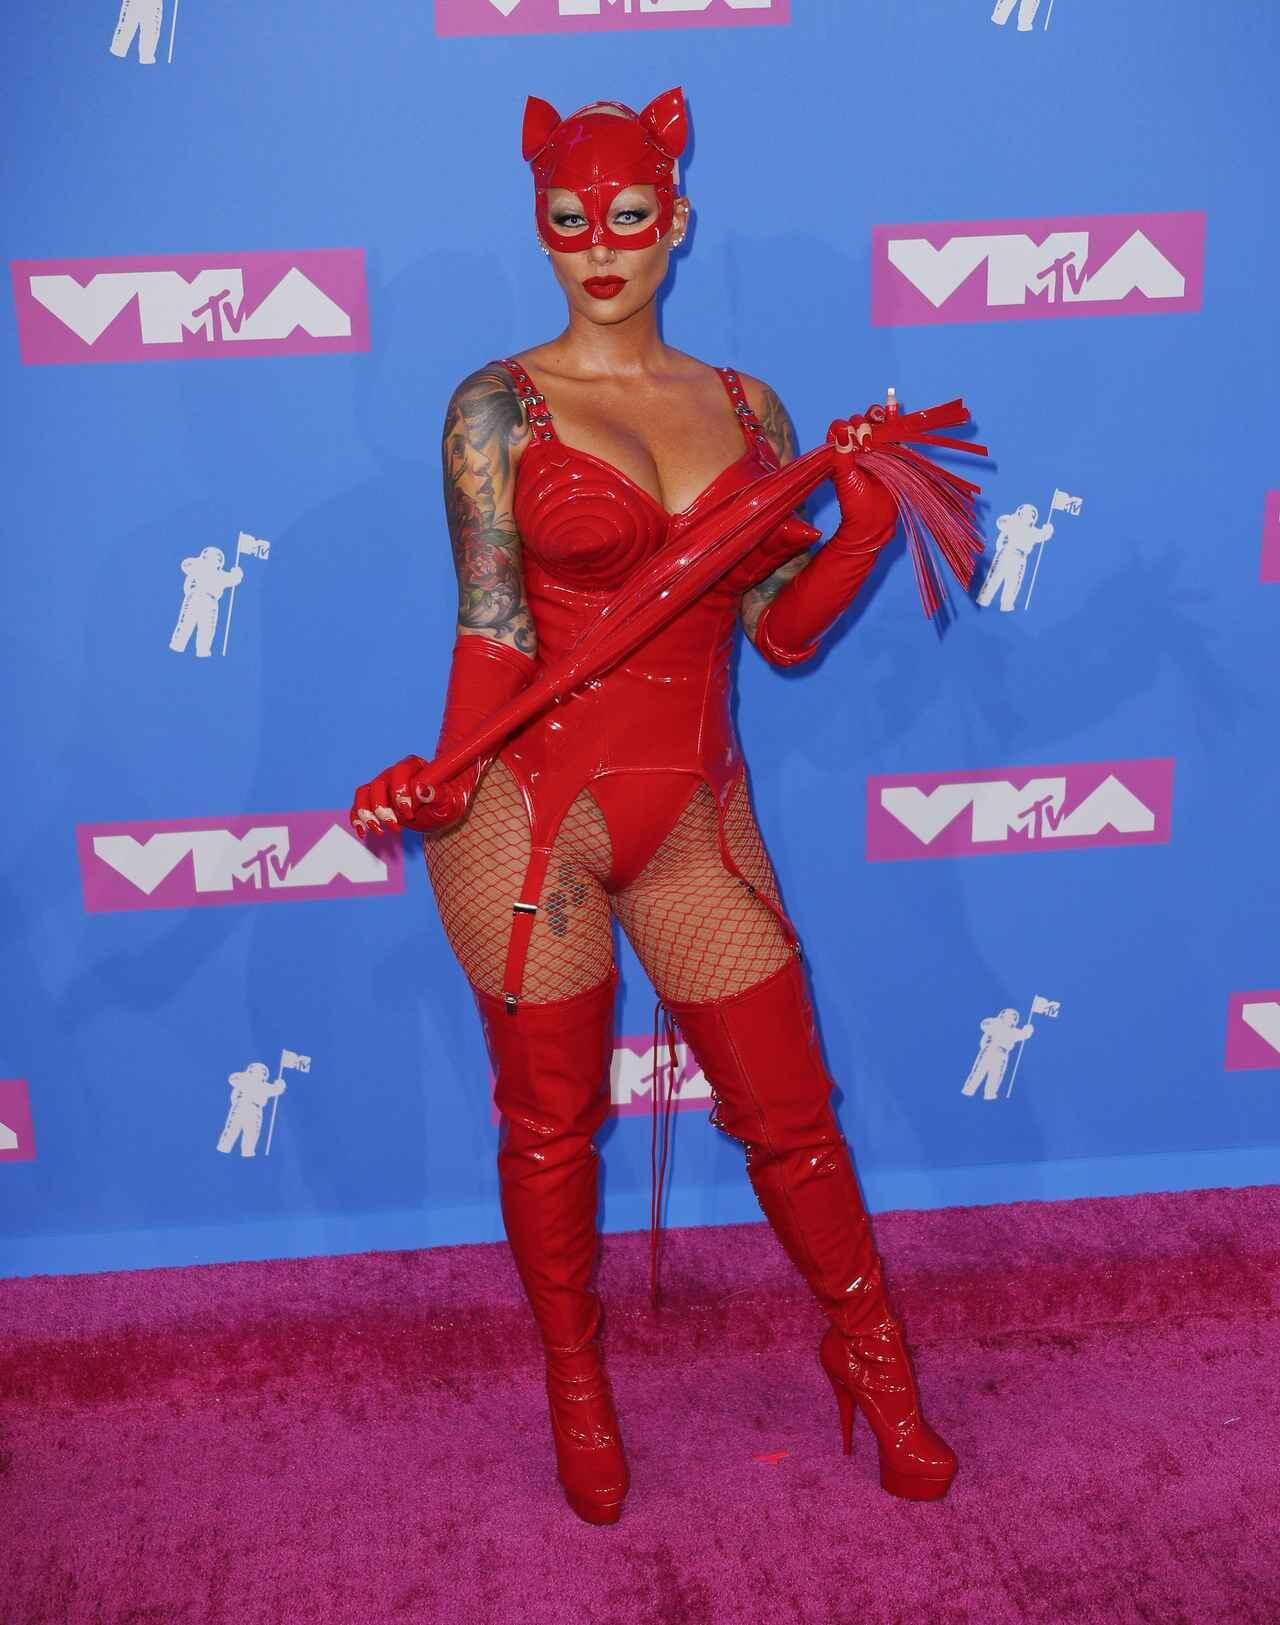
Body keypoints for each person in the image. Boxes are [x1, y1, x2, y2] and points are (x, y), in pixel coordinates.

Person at [350, 88, 957, 1525]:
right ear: (541, 229)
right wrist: (446, 769)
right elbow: (493, 625)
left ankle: (872, 1360)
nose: (602, 248)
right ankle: (577, 1383)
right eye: (571, 222)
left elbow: (781, 631)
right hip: (526, 814)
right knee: (550, 1127)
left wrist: (864, 530)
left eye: (630, 217)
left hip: (694, 813)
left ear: (676, 221)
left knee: (791, 1115)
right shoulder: (496, 407)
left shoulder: (751, 409)